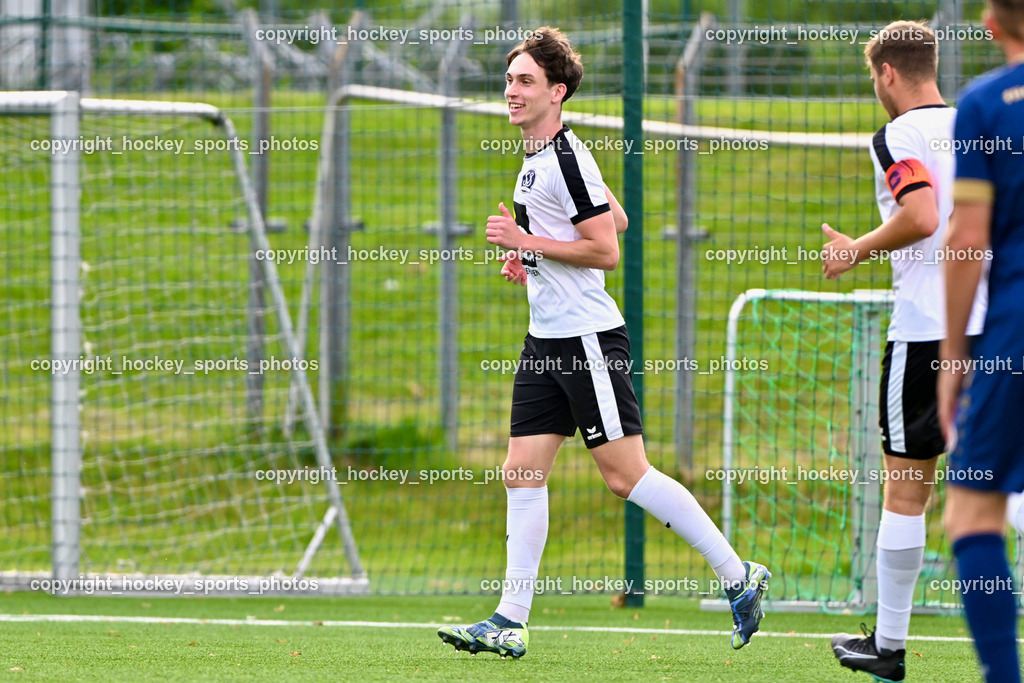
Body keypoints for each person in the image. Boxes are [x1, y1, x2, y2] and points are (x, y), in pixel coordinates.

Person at [437, 26, 770, 659]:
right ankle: (510, 619)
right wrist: (531, 261)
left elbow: (608, 249)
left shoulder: (564, 157)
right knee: (521, 470)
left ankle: (738, 575)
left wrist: (528, 244)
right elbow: (609, 216)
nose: (511, 90)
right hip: (546, 341)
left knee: (624, 476)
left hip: (587, 338)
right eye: (509, 79)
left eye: (525, 81)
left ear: (557, 92)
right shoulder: (540, 158)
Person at [819, 20, 988, 683]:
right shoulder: (975, 124)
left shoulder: (898, 135)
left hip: (926, 332)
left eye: (873, 79)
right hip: (993, 327)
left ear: (887, 73)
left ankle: (888, 646)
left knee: (906, 488)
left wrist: (853, 249)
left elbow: (921, 214)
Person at [937, 0, 1024, 679]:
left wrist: (955, 356)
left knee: (972, 504)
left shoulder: (987, 103)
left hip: (1013, 331)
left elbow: (966, 239)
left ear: (991, 25)